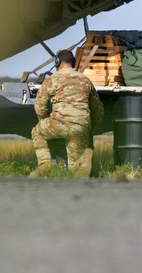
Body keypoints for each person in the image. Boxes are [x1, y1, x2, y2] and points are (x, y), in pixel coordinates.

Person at [31, 49, 104, 177]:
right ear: (74, 63)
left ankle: (45, 164)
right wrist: (90, 124)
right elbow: (97, 109)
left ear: (57, 62)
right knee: (74, 167)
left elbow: (39, 107)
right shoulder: (85, 80)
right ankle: (83, 158)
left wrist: (45, 120)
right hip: (80, 127)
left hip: (58, 124)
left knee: (37, 132)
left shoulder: (51, 80)